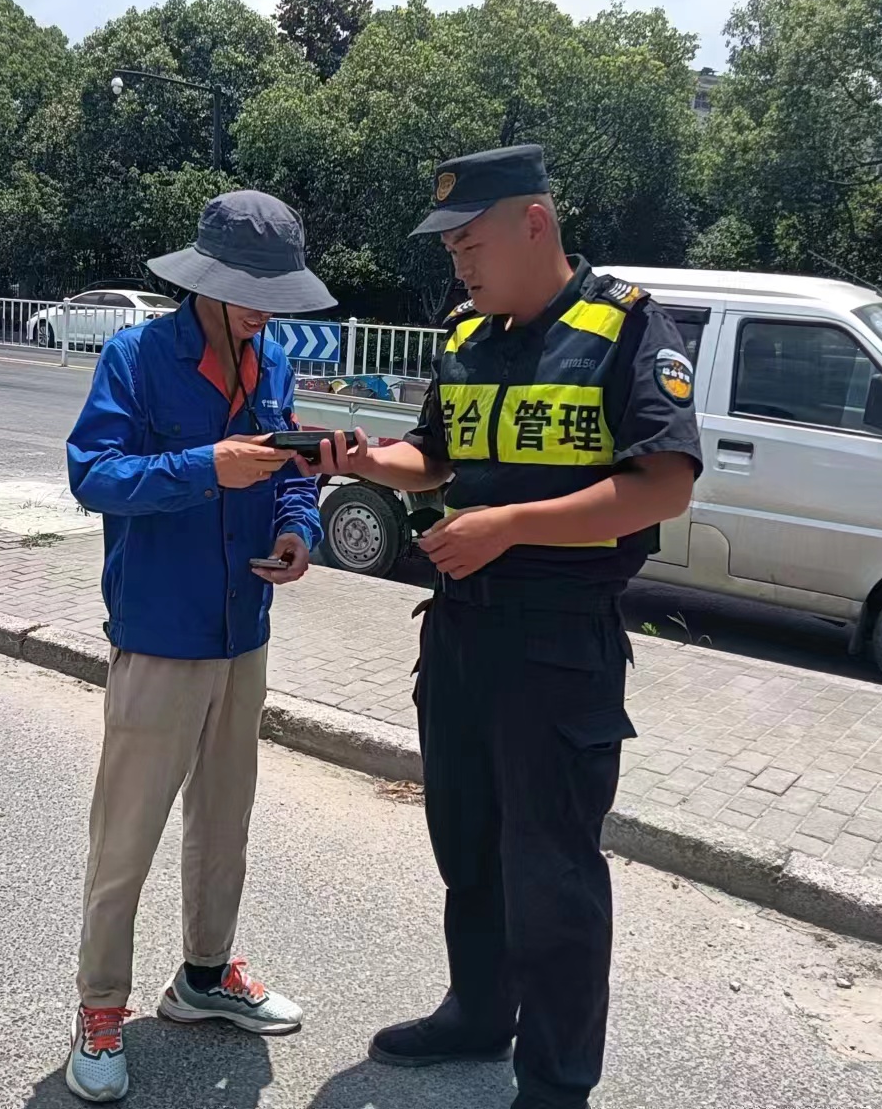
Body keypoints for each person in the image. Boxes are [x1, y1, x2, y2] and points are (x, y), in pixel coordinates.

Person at [300, 145, 702, 1108]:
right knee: (468, 842)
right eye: (450, 251)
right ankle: (479, 1013)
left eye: (471, 243)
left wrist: (510, 527)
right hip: (461, 633)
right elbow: (435, 458)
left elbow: (664, 486)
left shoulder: (626, 327)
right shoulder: (469, 336)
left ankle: (557, 1082)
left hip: (558, 642)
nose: (460, 264)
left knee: (553, 870)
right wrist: (362, 460)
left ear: (535, 222)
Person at [62, 190, 336, 1104]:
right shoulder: (138, 357)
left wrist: (298, 530)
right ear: (206, 284)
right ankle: (101, 1006)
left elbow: (293, 474)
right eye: (252, 292)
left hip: (242, 632)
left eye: (276, 293)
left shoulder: (272, 362)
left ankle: (206, 977)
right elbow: (94, 475)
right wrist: (204, 467)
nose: (266, 311)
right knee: (126, 837)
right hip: (161, 636)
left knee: (225, 821)